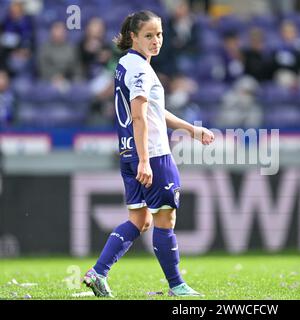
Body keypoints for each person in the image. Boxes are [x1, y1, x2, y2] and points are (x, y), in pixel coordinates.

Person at [82, 10, 215, 297]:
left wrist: (191, 129)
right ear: (133, 37)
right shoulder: (142, 70)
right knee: (165, 220)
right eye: (149, 35)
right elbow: (139, 116)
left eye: (160, 35)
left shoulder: (125, 64)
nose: (156, 41)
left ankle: (98, 272)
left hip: (128, 154)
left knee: (139, 221)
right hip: (152, 154)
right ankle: (177, 286)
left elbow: (153, 110)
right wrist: (146, 160)